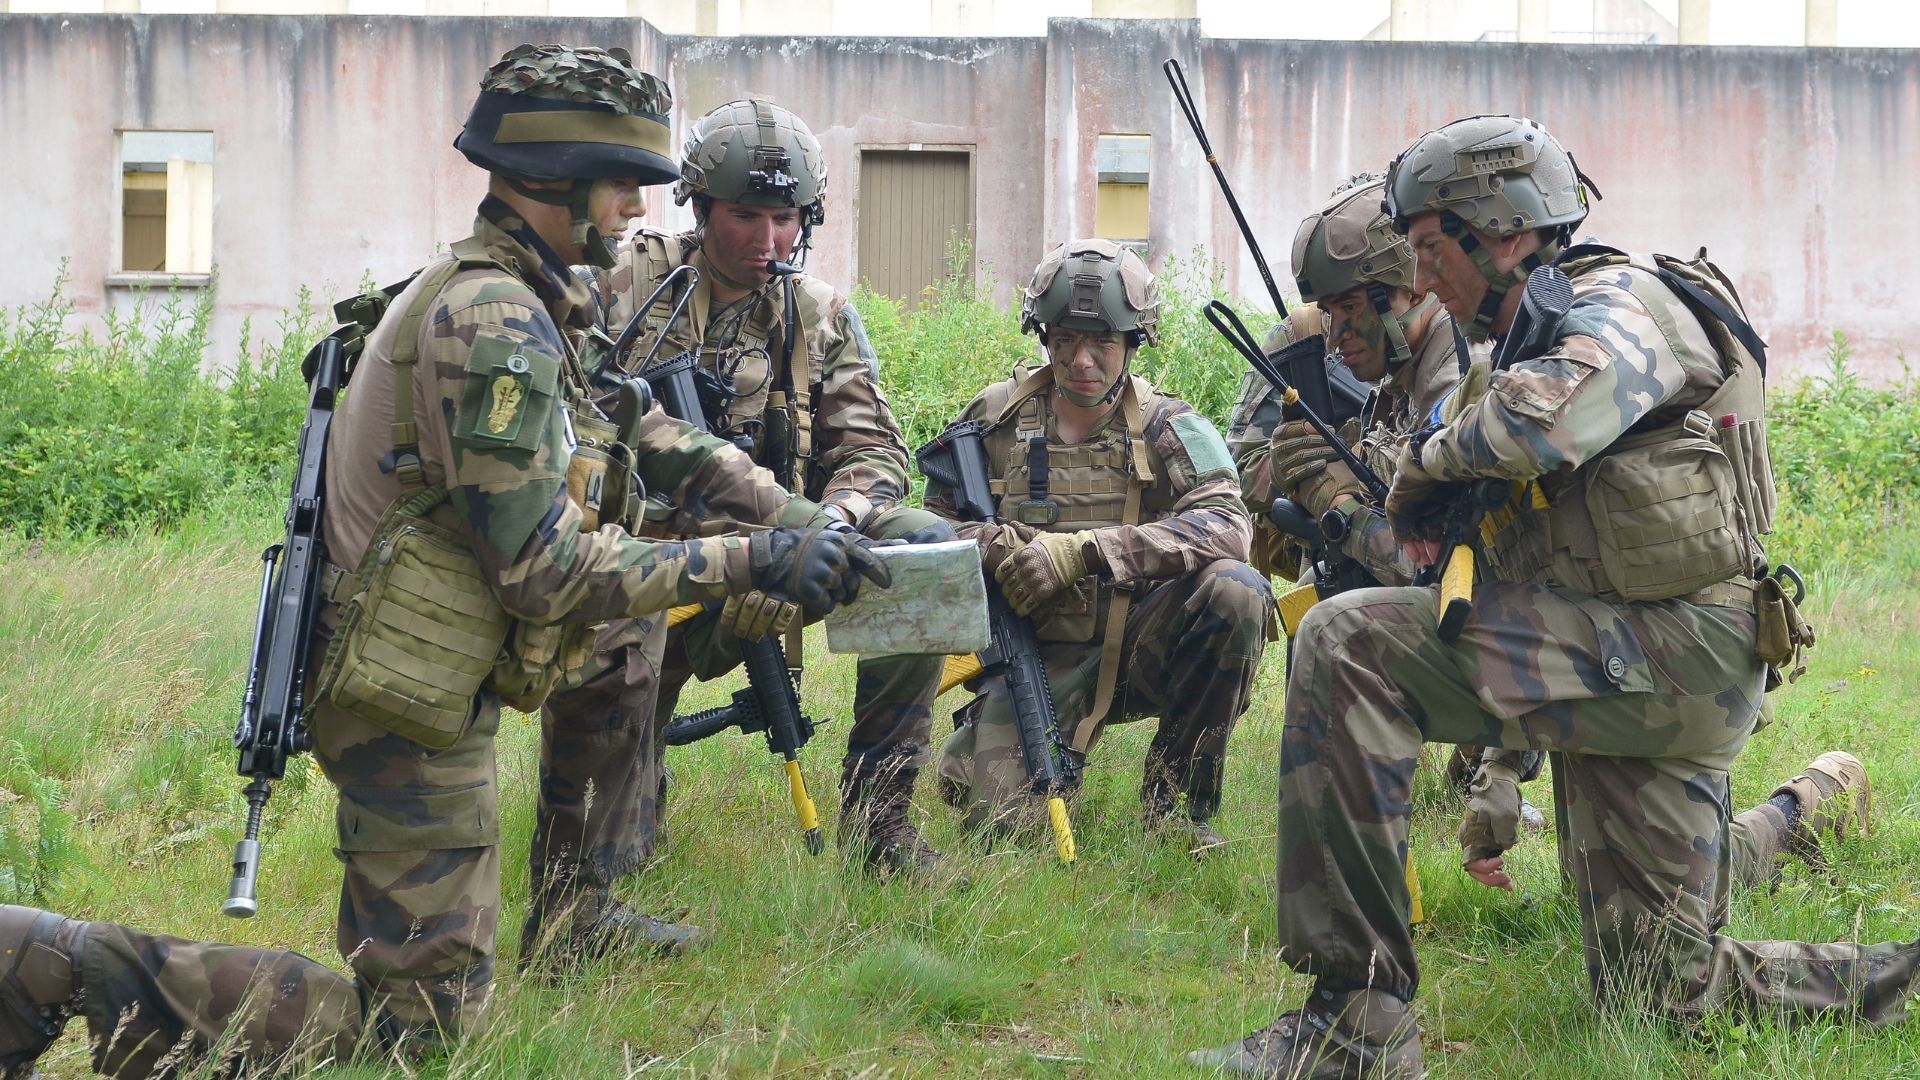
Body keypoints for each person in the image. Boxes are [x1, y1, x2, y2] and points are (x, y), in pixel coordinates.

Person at [0, 45, 887, 1079]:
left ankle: (46, 966)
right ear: (558, 180)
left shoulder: (526, 294)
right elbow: (550, 573)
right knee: (414, 1042)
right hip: (401, 697)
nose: (638, 207)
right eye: (622, 182)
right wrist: (757, 559)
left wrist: (796, 515)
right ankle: (47, 968)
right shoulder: (496, 322)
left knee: (428, 1017)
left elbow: (632, 423)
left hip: (429, 674)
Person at [1190, 115, 1911, 1079]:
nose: (1422, 276)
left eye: (1432, 247)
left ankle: (1352, 1030)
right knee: (1662, 995)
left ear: (1507, 229)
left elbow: (1550, 419)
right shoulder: (1514, 343)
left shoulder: (1621, 302)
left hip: (1674, 651)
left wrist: (1417, 467)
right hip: (1631, 658)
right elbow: (1465, 578)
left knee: (1346, 642)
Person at [571, 98, 958, 880]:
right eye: (745, 216)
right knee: (615, 851)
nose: (767, 241)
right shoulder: (618, 285)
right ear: (703, 206)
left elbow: (875, 455)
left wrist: (826, 532)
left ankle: (881, 821)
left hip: (793, 556)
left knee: (918, 544)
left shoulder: (820, 319)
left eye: (784, 219)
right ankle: (623, 813)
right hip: (650, 573)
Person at [928, 238, 1272, 852]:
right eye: (1064, 340)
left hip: (1138, 639)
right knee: (1001, 832)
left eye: (1102, 343)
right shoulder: (995, 417)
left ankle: (1177, 809)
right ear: (1044, 336)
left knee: (1236, 593)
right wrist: (986, 543)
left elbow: (1228, 523)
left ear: (1134, 344)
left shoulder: (1169, 424)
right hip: (1032, 650)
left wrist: (1084, 551)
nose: (1081, 359)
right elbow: (929, 525)